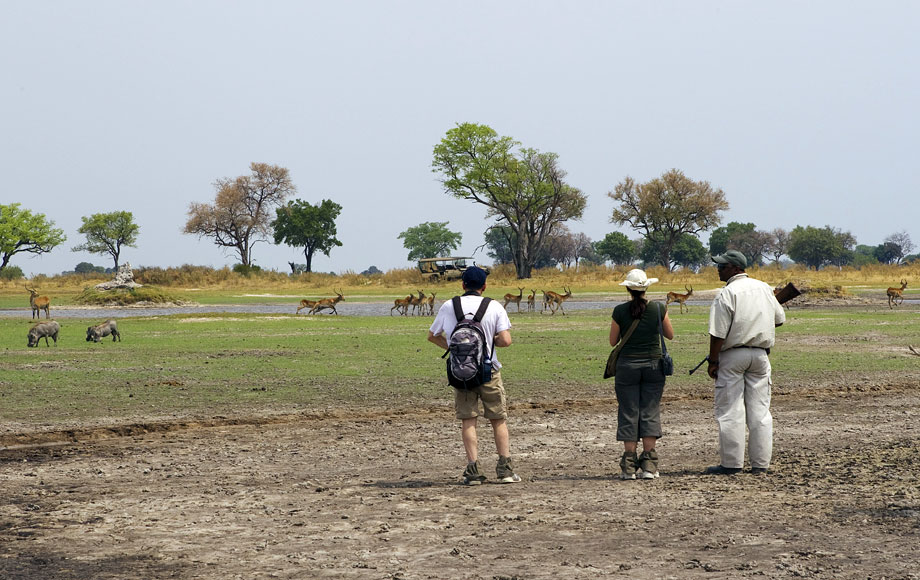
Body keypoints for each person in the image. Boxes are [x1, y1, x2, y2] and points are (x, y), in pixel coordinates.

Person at [427, 266, 520, 485]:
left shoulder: (450, 305)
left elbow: (432, 335)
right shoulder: (494, 306)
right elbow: (506, 341)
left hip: (461, 373)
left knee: (468, 420)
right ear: (484, 286)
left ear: (463, 285)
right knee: (498, 419)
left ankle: (473, 471)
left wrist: (453, 348)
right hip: (490, 371)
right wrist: (490, 342)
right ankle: (505, 470)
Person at [705, 250, 786, 476]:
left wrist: (713, 360)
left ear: (736, 268)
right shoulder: (764, 288)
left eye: (723, 266)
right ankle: (761, 464)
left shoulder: (727, 293)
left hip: (733, 356)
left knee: (731, 410)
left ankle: (731, 464)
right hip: (760, 356)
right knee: (760, 411)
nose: (719, 269)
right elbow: (779, 319)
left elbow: (718, 333)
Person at [609, 269, 674, 480]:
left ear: (628, 288)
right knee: (650, 410)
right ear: (647, 288)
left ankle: (628, 465)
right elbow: (670, 335)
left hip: (627, 367)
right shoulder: (658, 308)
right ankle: (649, 464)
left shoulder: (619, 311)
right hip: (654, 366)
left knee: (629, 411)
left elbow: (613, 341)